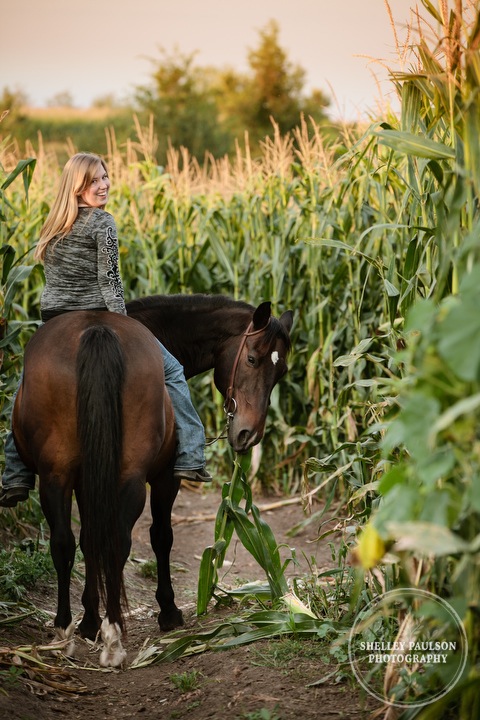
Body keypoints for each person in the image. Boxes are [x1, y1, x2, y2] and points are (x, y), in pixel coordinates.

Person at [0, 152, 211, 507]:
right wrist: (125, 324)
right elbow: (110, 280)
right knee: (172, 371)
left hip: (54, 319)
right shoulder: (103, 223)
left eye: (105, 177)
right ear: (77, 186)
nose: (103, 185)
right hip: (99, 310)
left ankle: (15, 472)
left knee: (27, 385)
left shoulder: (54, 224)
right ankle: (191, 452)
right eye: (93, 180)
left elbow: (54, 282)